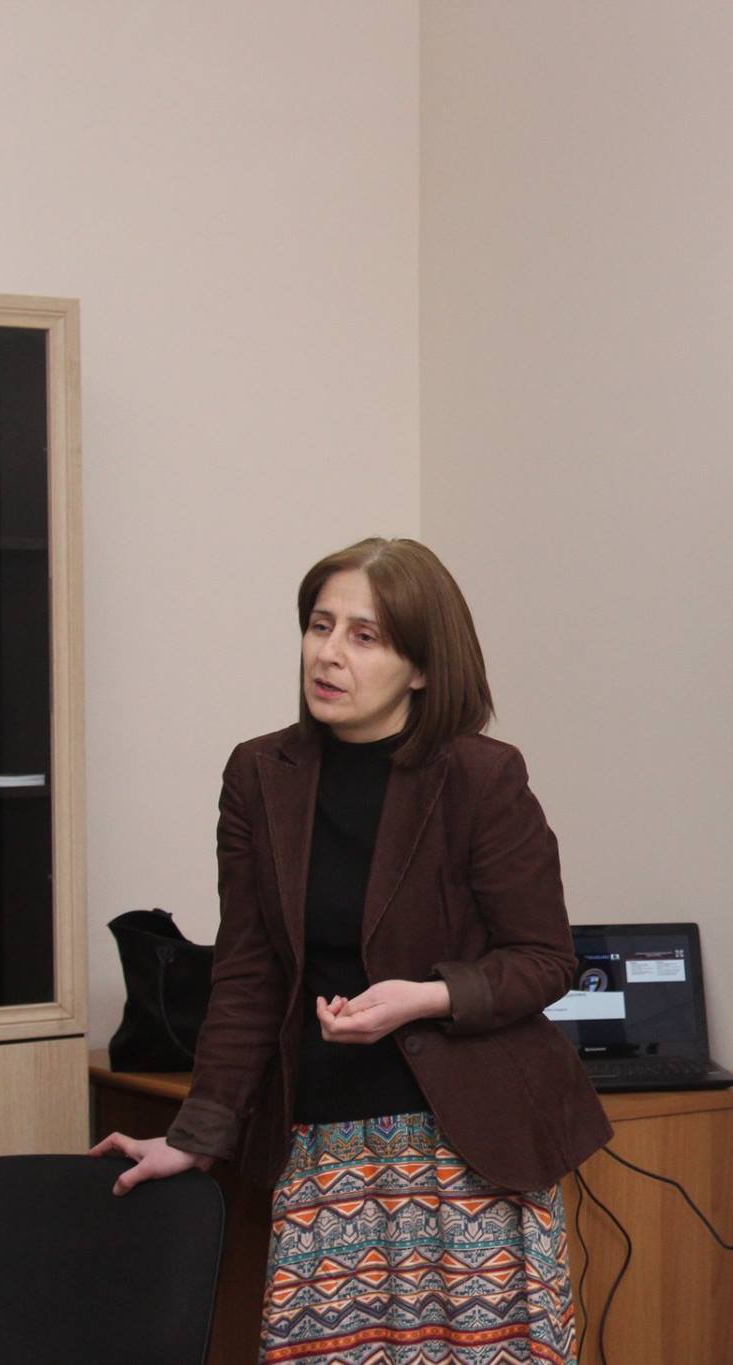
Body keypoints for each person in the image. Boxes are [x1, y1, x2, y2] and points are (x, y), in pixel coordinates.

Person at [92, 536, 610, 1364]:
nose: (328, 653)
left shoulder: (481, 776)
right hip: (324, 1139)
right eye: (320, 625)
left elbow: (546, 958)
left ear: (422, 667)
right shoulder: (260, 774)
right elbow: (248, 972)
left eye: (364, 636)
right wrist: (196, 1133)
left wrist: (426, 996)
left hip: (469, 1144)